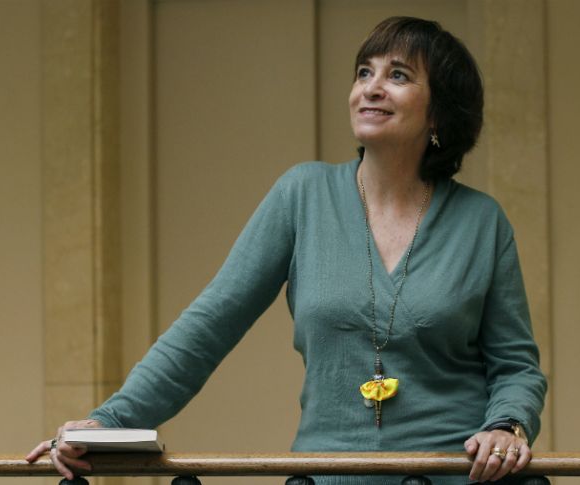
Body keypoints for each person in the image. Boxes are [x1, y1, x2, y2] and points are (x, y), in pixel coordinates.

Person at [27, 16, 547, 484]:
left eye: (398, 75)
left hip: (454, 474)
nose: (371, 88)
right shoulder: (303, 195)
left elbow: (516, 365)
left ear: (439, 114)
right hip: (328, 476)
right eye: (363, 72)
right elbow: (209, 324)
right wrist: (111, 420)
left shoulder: (482, 222)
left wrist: (507, 426)